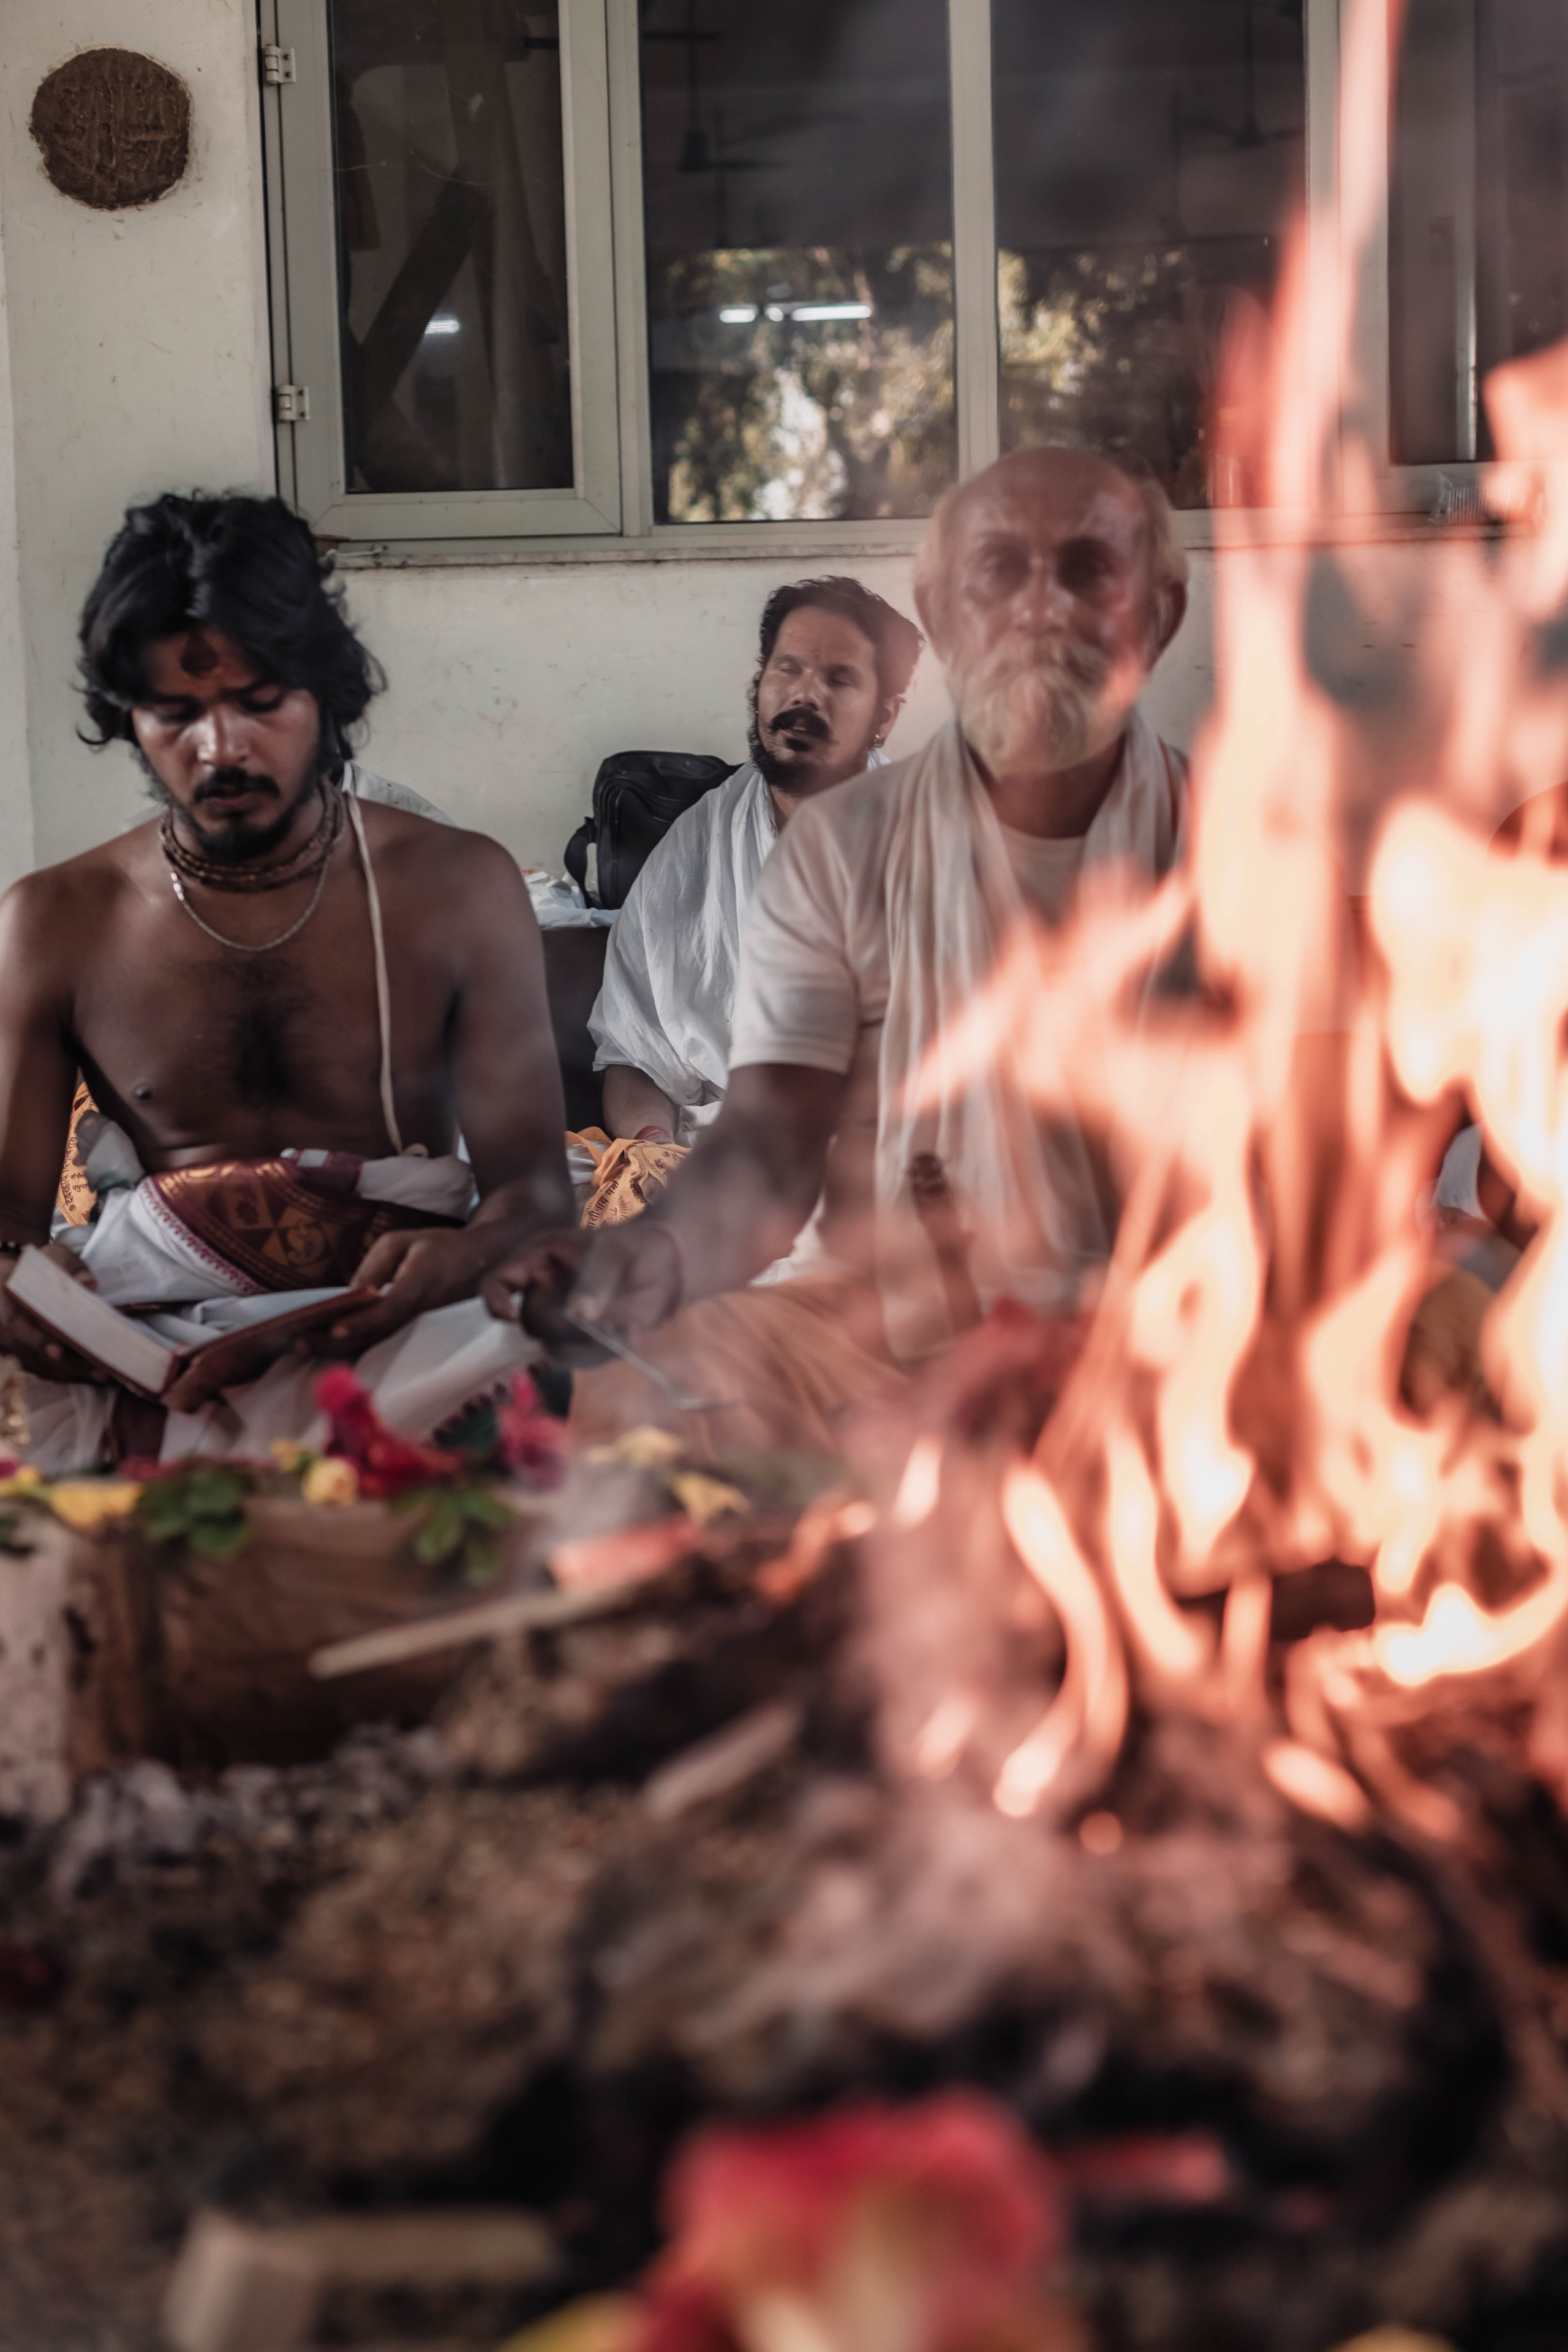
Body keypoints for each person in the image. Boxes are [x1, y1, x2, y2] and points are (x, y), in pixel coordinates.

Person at [488, 447, 1190, 1453]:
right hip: (885, 1321)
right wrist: (652, 1255)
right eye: (999, 576)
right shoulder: (839, 849)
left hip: (1172, 1331)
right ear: (944, 611)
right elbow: (770, 1143)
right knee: (647, 1389)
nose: (1039, 613)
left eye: (1086, 573)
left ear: (1156, 616)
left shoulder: (1245, 849)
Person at [0, 492, 572, 1471]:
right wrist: (27, 1302)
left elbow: (534, 1193)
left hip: (403, 1331)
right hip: (151, 1339)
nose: (221, 748)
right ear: (127, 720)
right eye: (176, 713)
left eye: (261, 701)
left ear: (327, 694)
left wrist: (464, 1255)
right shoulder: (56, 921)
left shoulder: (457, 887)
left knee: (575, 1355)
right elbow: (6, 1227)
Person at [590, 578, 922, 1152]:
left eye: (839, 678)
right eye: (787, 669)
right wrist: (651, 1151)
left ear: (884, 717)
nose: (804, 697)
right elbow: (634, 1055)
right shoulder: (700, 842)